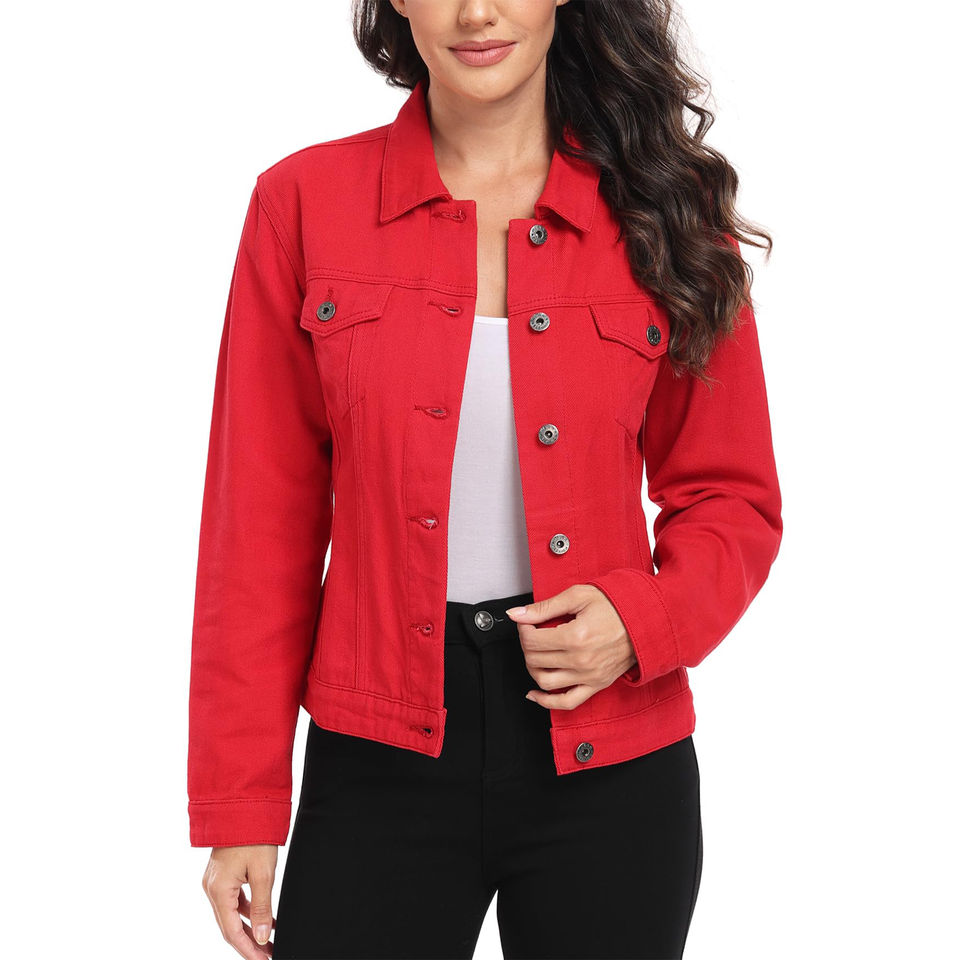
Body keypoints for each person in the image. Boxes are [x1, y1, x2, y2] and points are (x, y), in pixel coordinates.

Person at [187, 1, 783, 957]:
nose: (476, 12)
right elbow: (257, 524)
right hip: (376, 753)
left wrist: (640, 622)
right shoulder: (302, 203)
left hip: (611, 757)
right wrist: (242, 802)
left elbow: (731, 496)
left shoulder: (667, 210)